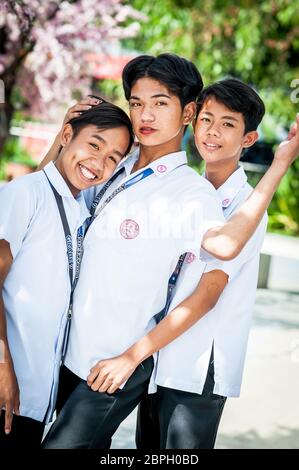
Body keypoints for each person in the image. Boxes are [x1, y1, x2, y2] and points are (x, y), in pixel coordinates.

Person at [41, 54, 299, 449]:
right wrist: (67, 136)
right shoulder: (115, 166)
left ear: (186, 112)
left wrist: (280, 162)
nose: (145, 114)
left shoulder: (192, 195)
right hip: (69, 353)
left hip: (122, 363)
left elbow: (223, 253)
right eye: (137, 102)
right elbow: (46, 196)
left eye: (160, 102)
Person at [135, 78, 269, 449]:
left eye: (228, 124)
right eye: (207, 119)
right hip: (159, 356)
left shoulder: (247, 207)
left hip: (198, 367)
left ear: (248, 139)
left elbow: (210, 291)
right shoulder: (189, 191)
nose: (213, 132)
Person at [0, 102, 133, 449]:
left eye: (112, 158)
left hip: (34, 399)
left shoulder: (78, 208)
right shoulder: (22, 194)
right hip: (6, 388)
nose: (99, 163)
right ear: (67, 135)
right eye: (94, 144)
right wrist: (3, 367)